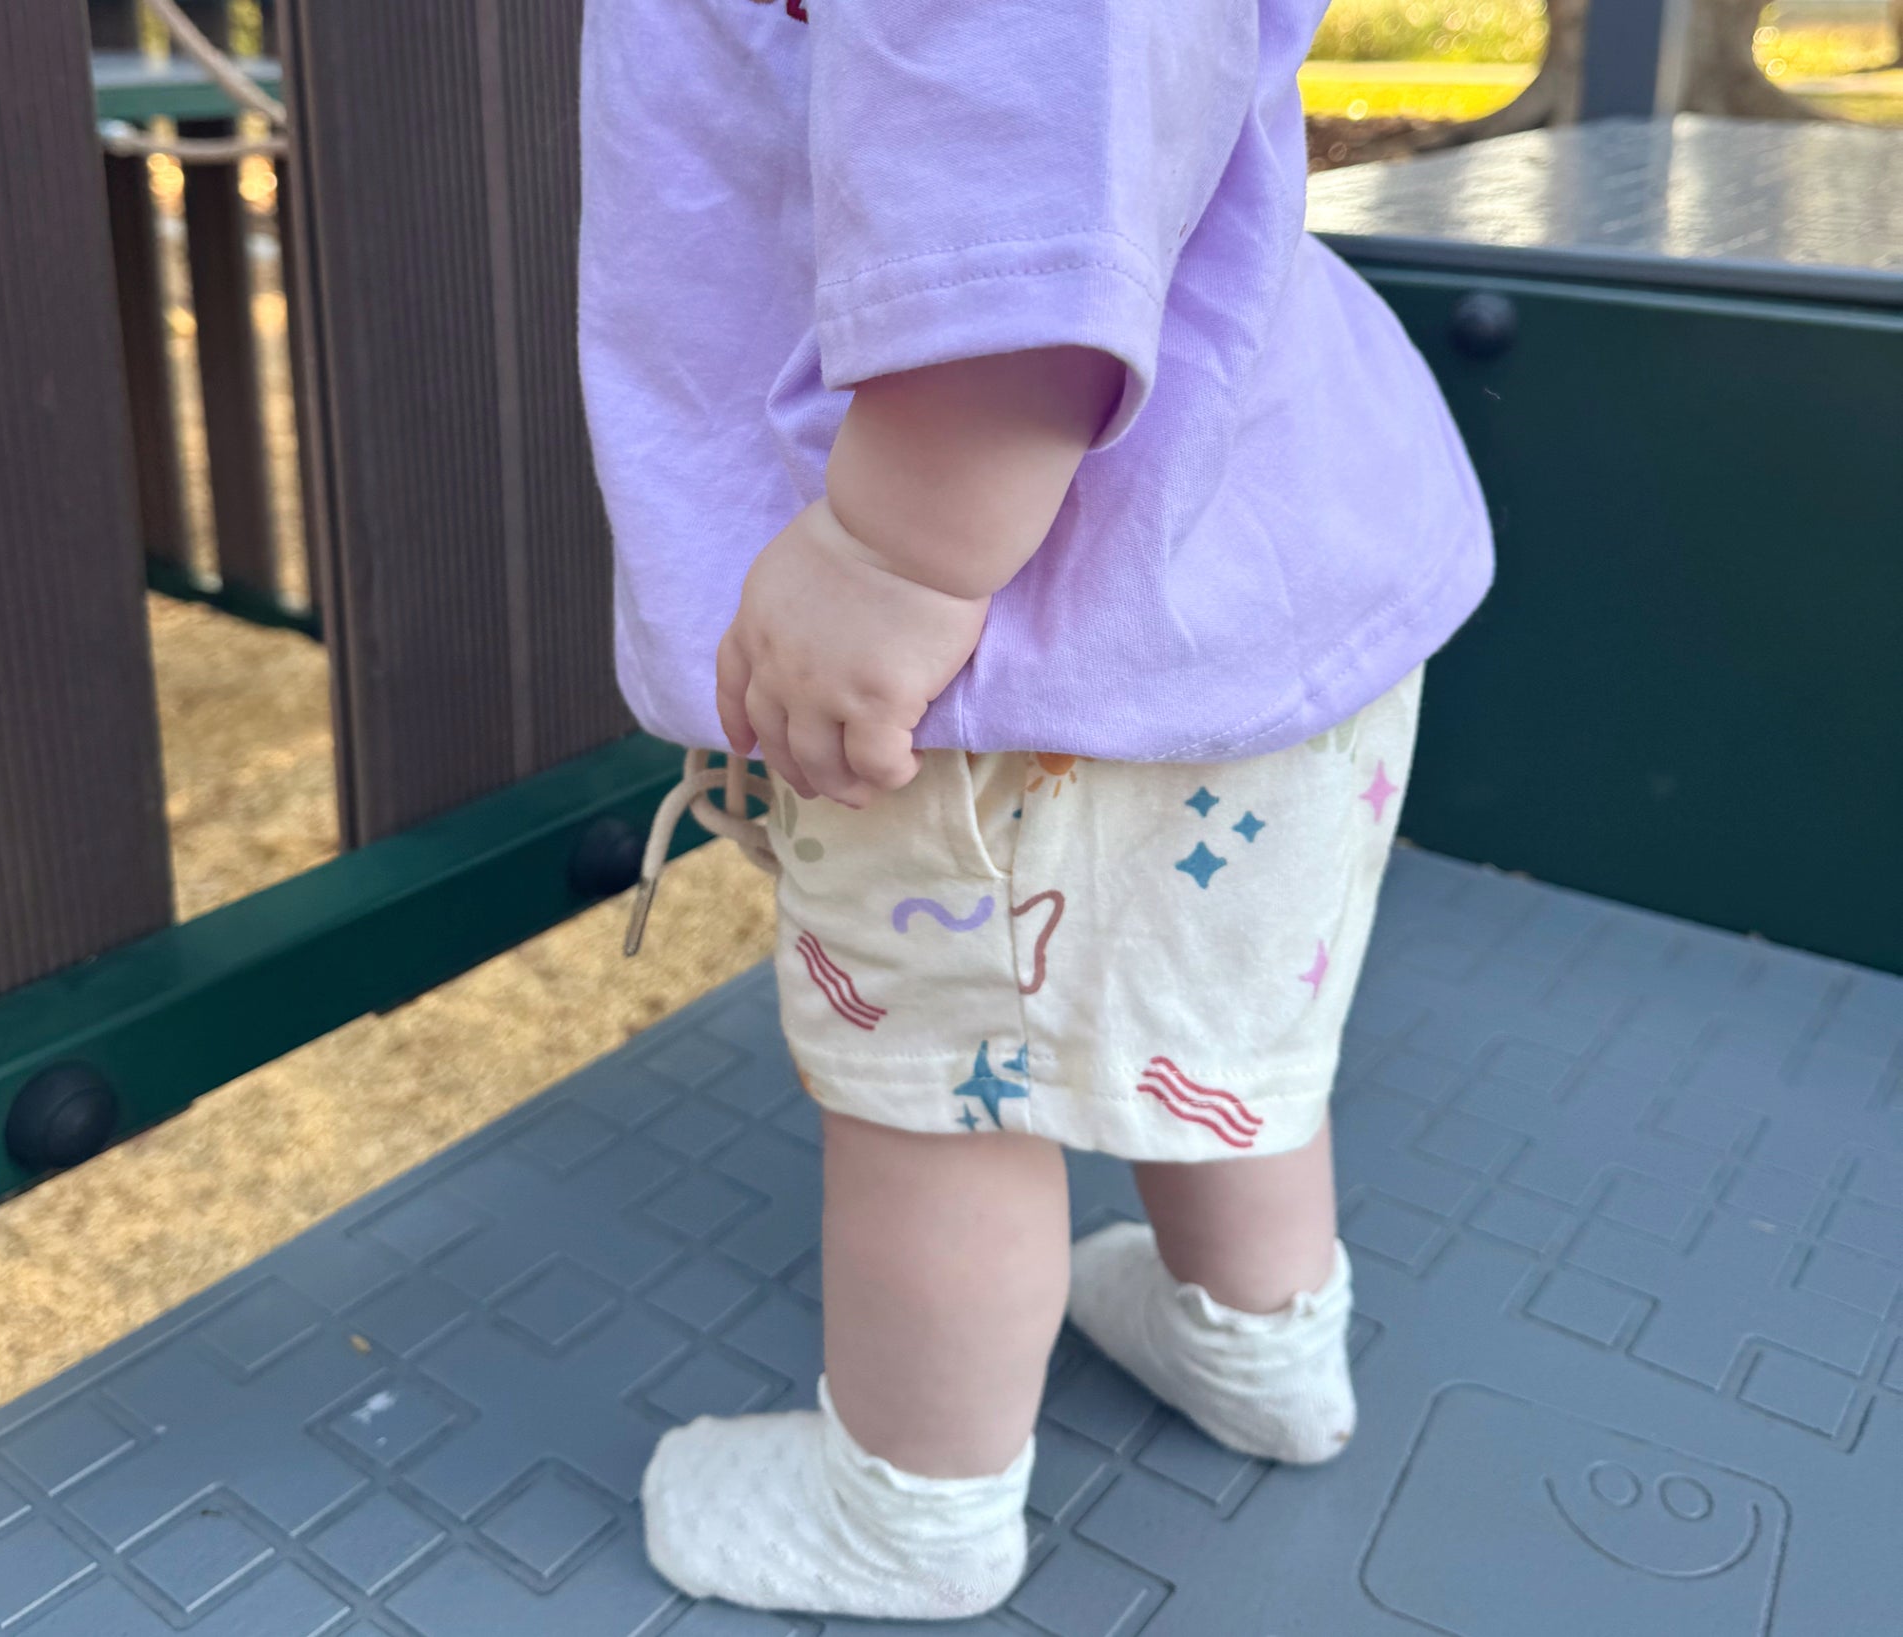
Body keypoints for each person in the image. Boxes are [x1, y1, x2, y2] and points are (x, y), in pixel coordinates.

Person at [579, 0, 1492, 1619]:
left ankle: (910, 1507)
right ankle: (1257, 1343)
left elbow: (1019, 163)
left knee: (945, 1094)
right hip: (1254, 573)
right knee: (1221, 1021)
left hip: (996, 637)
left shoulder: (916, 573)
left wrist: (890, 556)